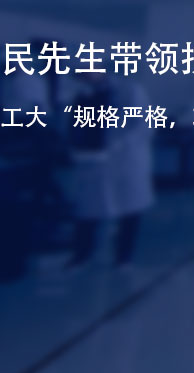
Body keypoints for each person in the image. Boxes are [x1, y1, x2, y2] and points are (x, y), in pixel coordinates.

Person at [62, 70, 155, 268]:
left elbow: (144, 125)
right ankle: (82, 255)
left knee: (129, 209)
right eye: (79, 75)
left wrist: (118, 145)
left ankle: (124, 257)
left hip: (126, 160)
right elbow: (74, 125)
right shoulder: (81, 93)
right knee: (87, 208)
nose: (84, 77)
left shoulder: (130, 91)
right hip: (92, 160)